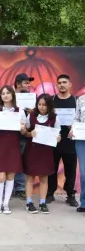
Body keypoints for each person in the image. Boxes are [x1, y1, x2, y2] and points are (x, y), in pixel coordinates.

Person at [0, 85, 27, 214]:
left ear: (13, 95)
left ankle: (6, 204)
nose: (5, 95)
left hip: (13, 145)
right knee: (1, 176)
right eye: (3, 93)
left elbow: (24, 131)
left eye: (8, 93)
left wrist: (23, 128)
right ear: (0, 96)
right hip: (0, 145)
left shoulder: (20, 111)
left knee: (11, 175)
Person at [23, 93, 61, 214]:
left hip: (46, 152)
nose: (41, 107)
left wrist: (58, 138)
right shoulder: (31, 116)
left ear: (49, 106)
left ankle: (42, 202)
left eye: (44, 105)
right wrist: (29, 133)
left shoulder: (55, 118)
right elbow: (25, 132)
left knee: (44, 178)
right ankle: (29, 202)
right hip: (32, 150)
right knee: (30, 177)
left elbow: (57, 134)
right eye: (39, 104)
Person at [47, 75, 78, 207]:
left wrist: (75, 126)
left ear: (70, 84)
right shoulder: (52, 100)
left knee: (70, 169)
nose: (62, 85)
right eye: (59, 83)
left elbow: (81, 119)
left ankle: (70, 194)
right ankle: (50, 193)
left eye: (64, 82)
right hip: (54, 139)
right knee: (51, 168)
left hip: (70, 140)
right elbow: (47, 117)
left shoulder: (76, 101)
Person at [13, 73, 35, 200]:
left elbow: (39, 113)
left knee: (22, 160)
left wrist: (34, 112)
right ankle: (7, 186)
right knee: (9, 159)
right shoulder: (8, 94)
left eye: (29, 83)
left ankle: (20, 188)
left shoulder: (31, 98)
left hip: (25, 133)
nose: (29, 85)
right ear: (18, 83)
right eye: (26, 82)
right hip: (9, 133)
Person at [69, 95, 85, 213]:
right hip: (81, 138)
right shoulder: (81, 99)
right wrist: (72, 129)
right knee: (84, 173)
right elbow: (76, 118)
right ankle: (83, 202)